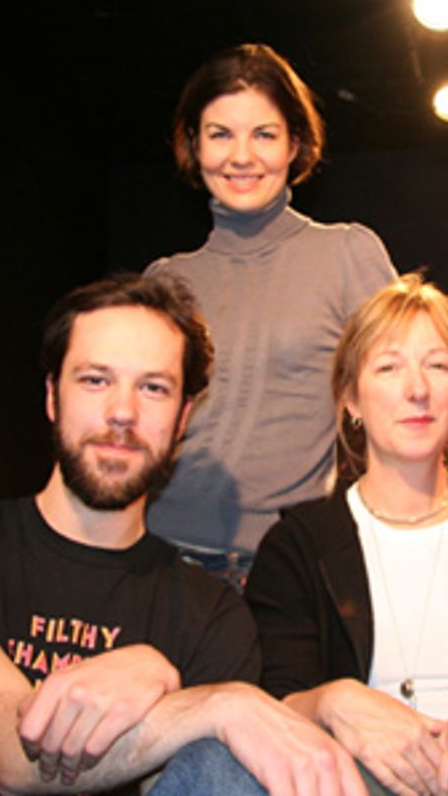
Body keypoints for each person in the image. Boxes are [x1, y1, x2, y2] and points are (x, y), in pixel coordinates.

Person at [0, 274, 366, 796]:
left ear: (184, 417)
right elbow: (7, 757)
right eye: (96, 380)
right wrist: (210, 703)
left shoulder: (212, 615)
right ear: (53, 397)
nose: (123, 412)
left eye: (153, 388)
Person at [157, 274, 448, 795]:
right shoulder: (298, 546)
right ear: (351, 398)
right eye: (388, 367)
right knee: (214, 764)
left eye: (437, 365)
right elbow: (275, 699)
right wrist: (334, 699)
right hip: (347, 780)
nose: (416, 389)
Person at [145, 43, 397, 583]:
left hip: (285, 568)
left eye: (264, 134)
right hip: (159, 559)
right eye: (220, 134)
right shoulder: (164, 282)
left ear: (295, 144)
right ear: (192, 144)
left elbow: (403, 405)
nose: (242, 156)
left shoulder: (347, 255)